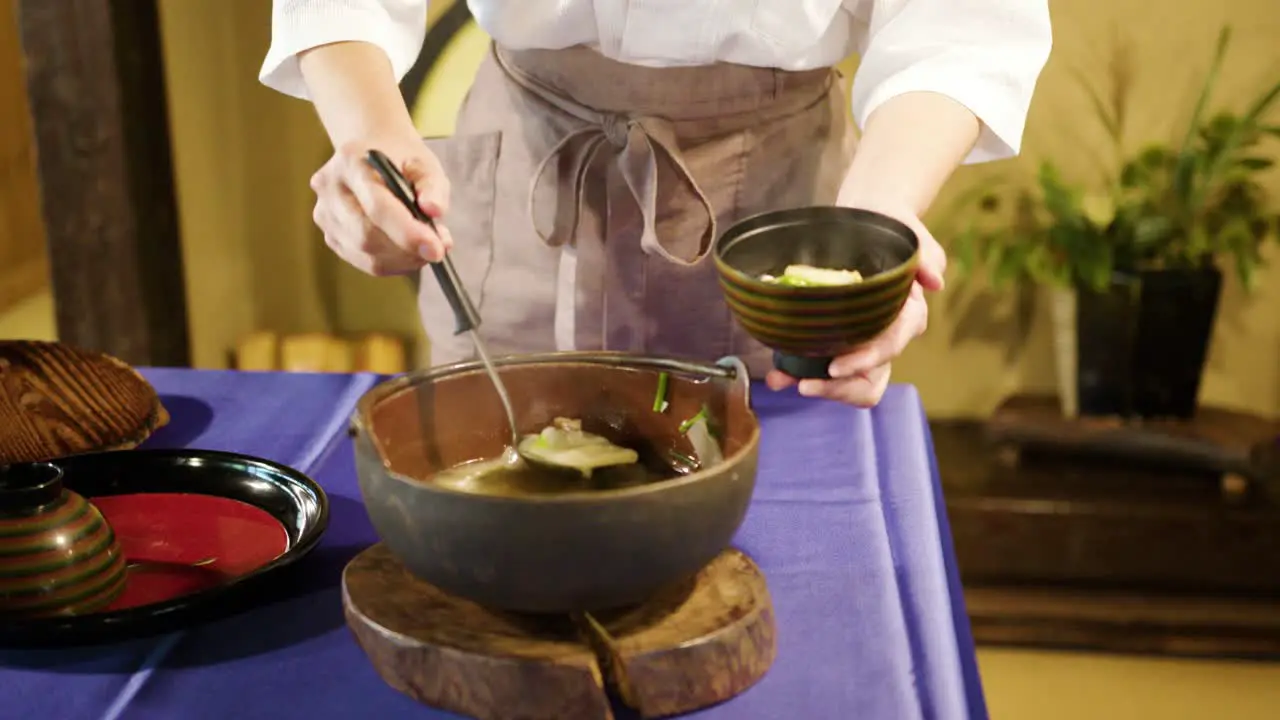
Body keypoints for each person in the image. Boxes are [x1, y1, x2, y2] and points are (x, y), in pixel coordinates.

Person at [261, 0, 1051, 407]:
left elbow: (959, 20)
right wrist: (369, 137)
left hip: (781, 205)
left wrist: (873, 228)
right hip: (529, 157)